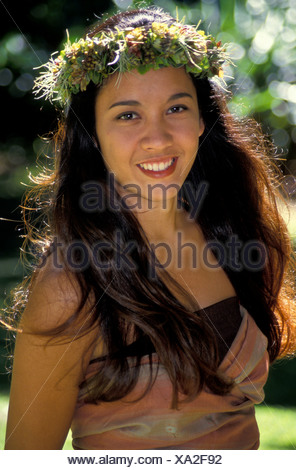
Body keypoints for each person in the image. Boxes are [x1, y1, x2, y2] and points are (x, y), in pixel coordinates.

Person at [2, 6, 296, 450]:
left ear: (201, 121)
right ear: (92, 134)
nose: (158, 138)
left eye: (176, 107)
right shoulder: (71, 287)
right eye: (127, 115)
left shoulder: (234, 238)